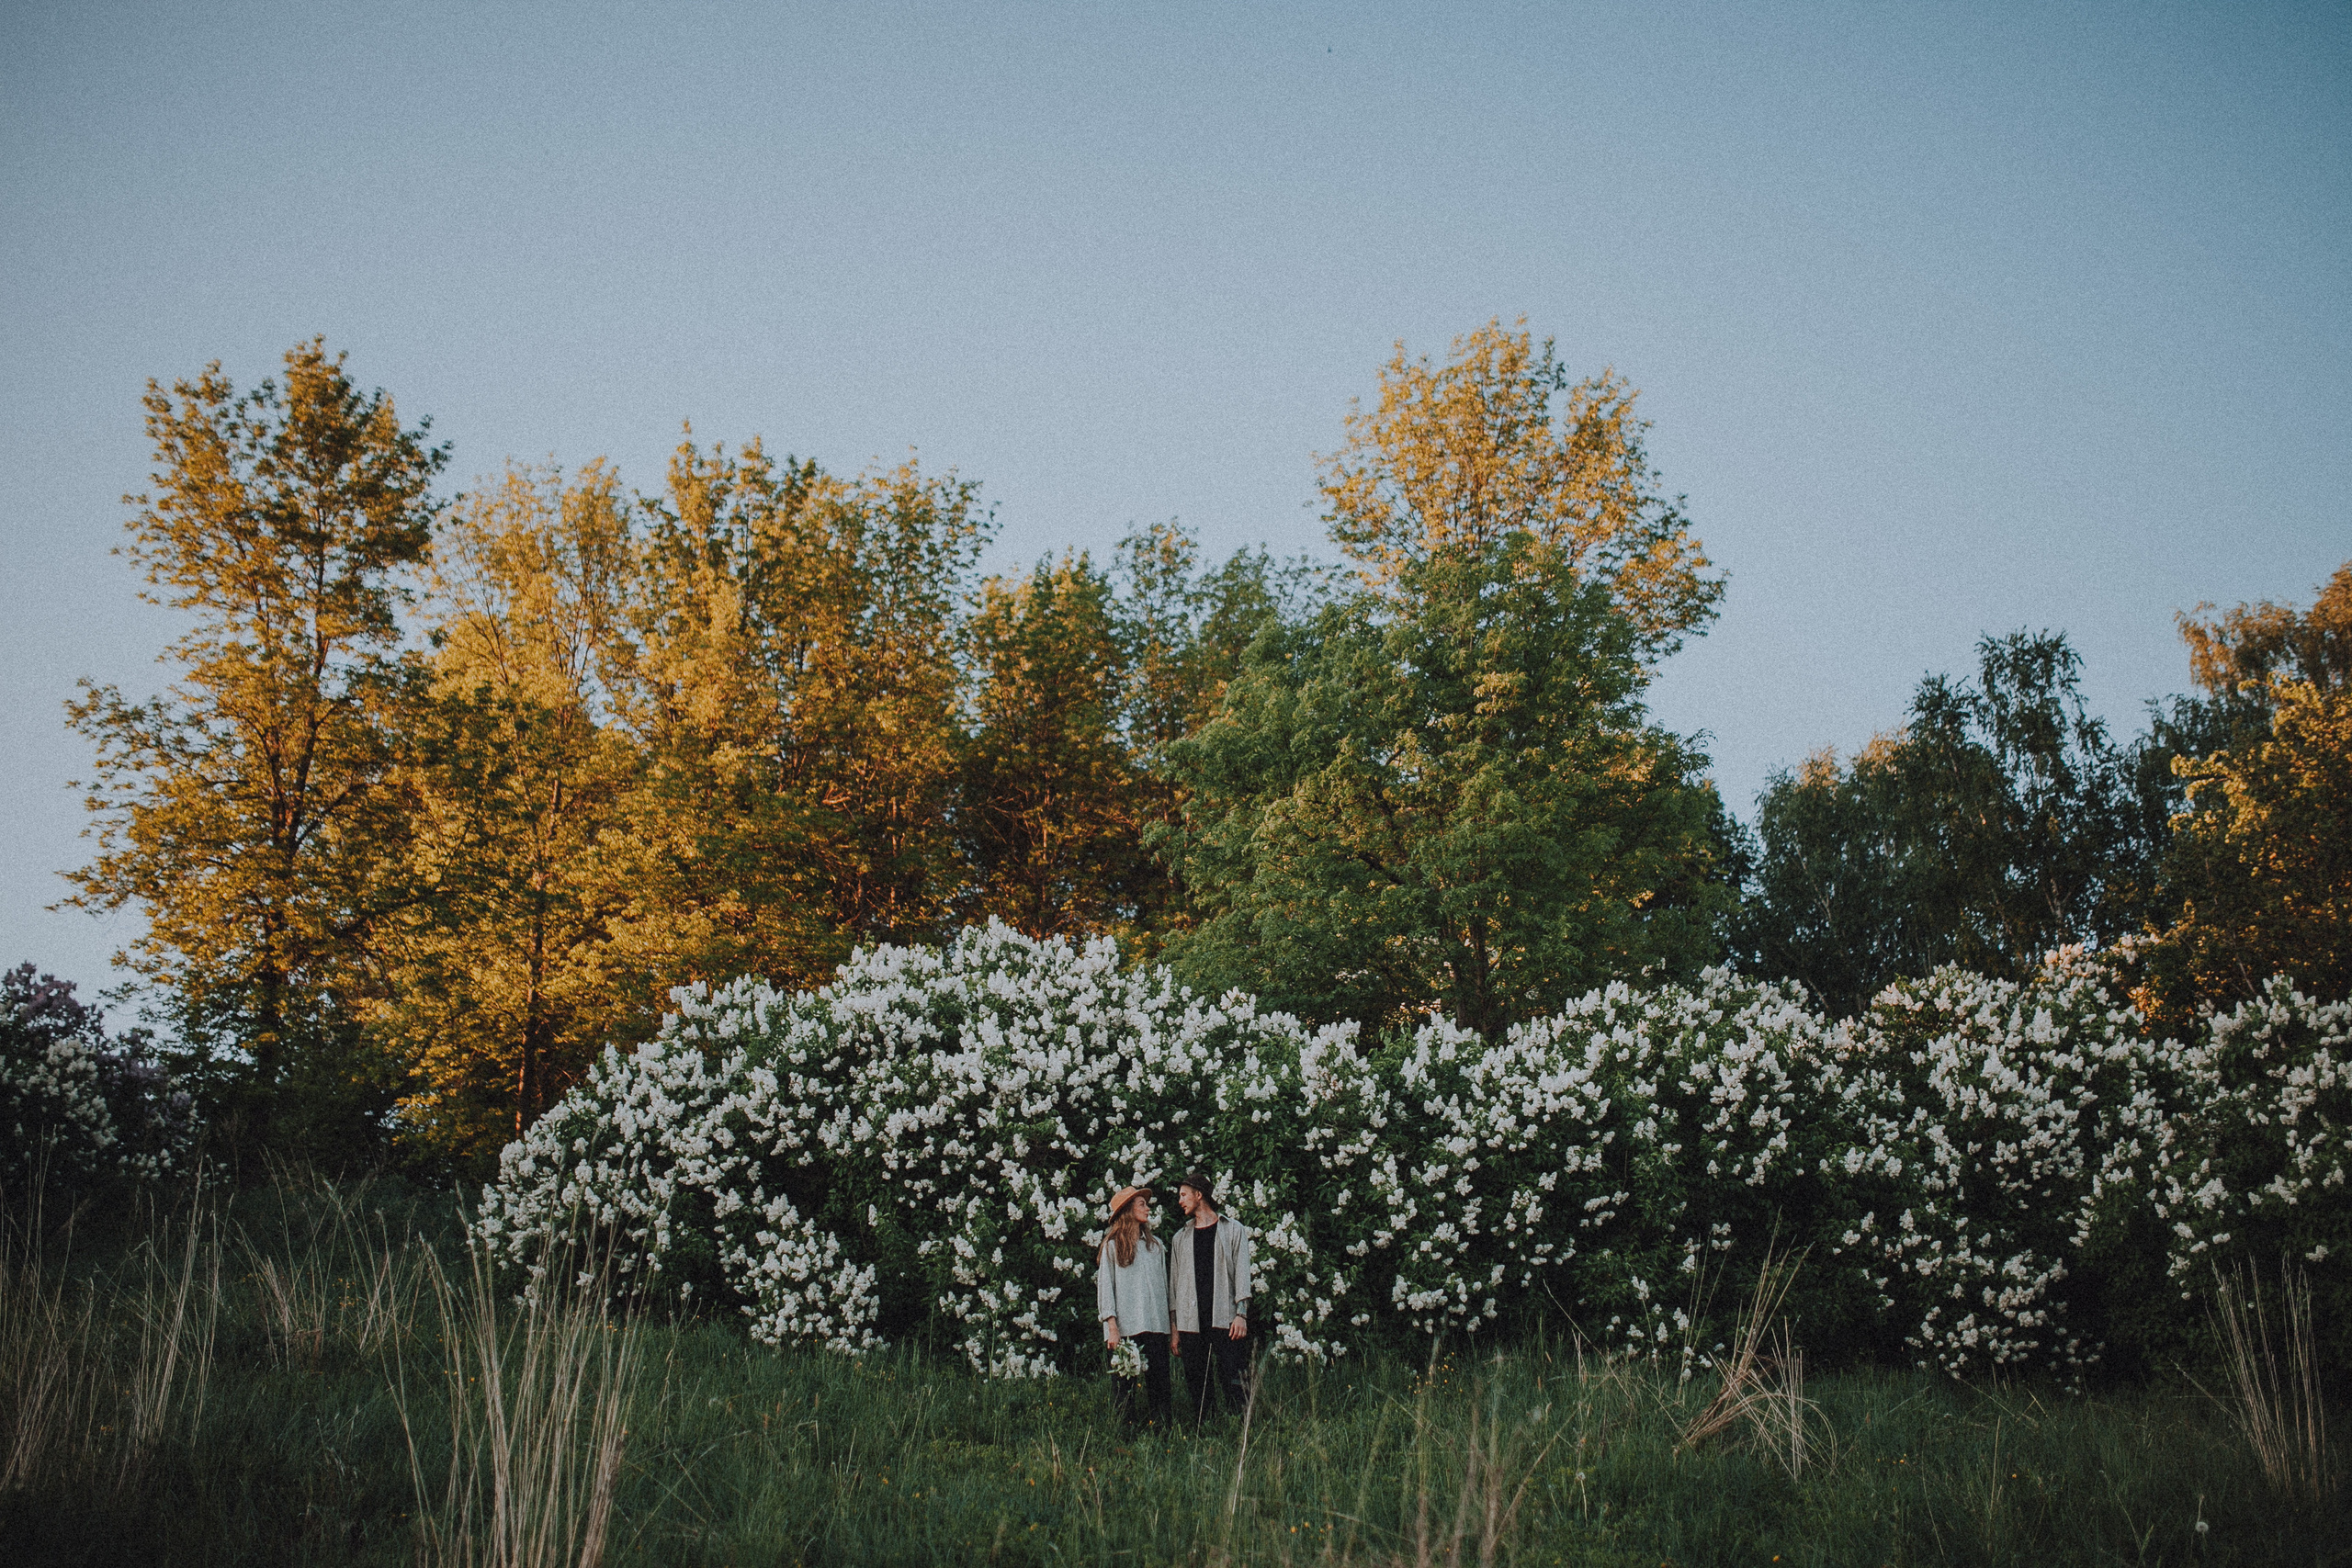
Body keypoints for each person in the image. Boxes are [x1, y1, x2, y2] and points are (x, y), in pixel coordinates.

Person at [1168, 1169, 1251, 1423]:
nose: (1180, 1200)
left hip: (1225, 1318)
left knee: (1233, 1376)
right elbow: (1173, 1287)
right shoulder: (1180, 1238)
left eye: (1183, 1195)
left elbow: (1243, 1274)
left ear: (1199, 1195)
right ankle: (1206, 1428)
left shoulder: (1233, 1230)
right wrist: (1174, 1328)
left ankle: (1239, 1427)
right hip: (1190, 1320)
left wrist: (1241, 1314)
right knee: (1196, 1379)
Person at [1094, 1184, 1171, 1429]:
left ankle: (1162, 1433)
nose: (1148, 1209)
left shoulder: (1155, 1246)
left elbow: (1165, 1291)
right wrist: (1112, 1327)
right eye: (1142, 1204)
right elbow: (1106, 1288)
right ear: (1128, 1210)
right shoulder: (1112, 1247)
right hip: (1126, 1328)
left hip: (1156, 1325)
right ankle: (1123, 1435)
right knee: (1124, 1388)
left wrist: (1173, 1327)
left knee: (1160, 1385)